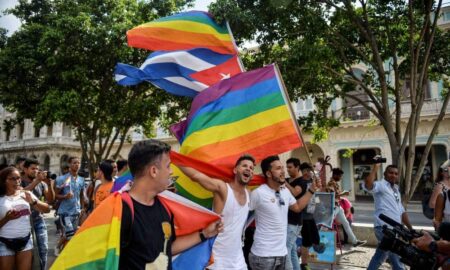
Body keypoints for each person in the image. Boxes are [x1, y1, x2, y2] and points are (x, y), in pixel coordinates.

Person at [119, 139, 223, 270]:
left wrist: (204, 234)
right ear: (154, 171)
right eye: (168, 166)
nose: (171, 172)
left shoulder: (165, 208)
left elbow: (167, 248)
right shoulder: (120, 209)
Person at [178, 154, 255, 270]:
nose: (248, 169)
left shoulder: (249, 194)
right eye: (244, 166)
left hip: (238, 260)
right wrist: (174, 158)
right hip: (217, 260)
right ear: (235, 170)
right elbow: (196, 176)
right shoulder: (223, 188)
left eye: (251, 168)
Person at [249, 156, 320, 270]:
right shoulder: (258, 193)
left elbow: (297, 207)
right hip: (263, 257)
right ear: (268, 174)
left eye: (283, 168)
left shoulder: (285, 191)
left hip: (282, 254)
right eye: (278, 168)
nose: (283, 171)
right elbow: (244, 214)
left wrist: (311, 190)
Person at [0, 167, 50, 270]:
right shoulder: (1, 199)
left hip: (25, 241)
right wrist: (7, 218)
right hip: (4, 242)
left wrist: (33, 202)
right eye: (12, 179)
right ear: (4, 181)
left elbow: (47, 210)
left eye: (18, 178)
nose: (17, 181)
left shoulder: (26, 194)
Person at [364, 163, 412, 270]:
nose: (393, 175)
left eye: (396, 173)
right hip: (383, 228)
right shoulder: (381, 185)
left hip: (395, 230)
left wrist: (410, 228)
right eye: (391, 173)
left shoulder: (396, 190)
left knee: (380, 257)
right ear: (385, 174)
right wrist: (375, 167)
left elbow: (402, 211)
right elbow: (368, 185)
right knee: (396, 256)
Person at [21, 158, 55, 270]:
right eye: (32, 168)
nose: (35, 171)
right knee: (27, 253)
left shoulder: (41, 184)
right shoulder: (19, 181)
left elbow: (50, 200)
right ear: (25, 169)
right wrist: (37, 181)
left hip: (38, 220)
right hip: (23, 222)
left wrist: (49, 184)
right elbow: (21, 194)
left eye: (37, 169)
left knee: (43, 249)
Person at [326, 168, 365, 247]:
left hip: (338, 207)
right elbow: (332, 196)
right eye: (340, 176)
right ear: (335, 175)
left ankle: (355, 242)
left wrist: (343, 193)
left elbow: (337, 194)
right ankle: (317, 240)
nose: (341, 178)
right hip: (333, 207)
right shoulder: (330, 184)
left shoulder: (335, 183)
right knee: (326, 225)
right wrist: (343, 194)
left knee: (346, 223)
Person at [55, 156, 86, 251]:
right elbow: (55, 195)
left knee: (70, 234)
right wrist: (64, 196)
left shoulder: (81, 179)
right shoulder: (61, 179)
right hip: (65, 212)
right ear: (69, 165)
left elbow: (81, 195)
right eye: (74, 163)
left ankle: (63, 250)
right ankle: (57, 247)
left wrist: (82, 208)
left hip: (76, 211)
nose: (77, 165)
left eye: (78, 163)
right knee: (70, 233)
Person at [285, 157, 303, 270]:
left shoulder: (302, 181)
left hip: (294, 222)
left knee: (286, 250)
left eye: (290, 167)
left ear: (297, 167)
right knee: (291, 251)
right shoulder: (288, 180)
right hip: (287, 220)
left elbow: (296, 193)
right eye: (287, 167)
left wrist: (285, 183)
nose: (288, 170)